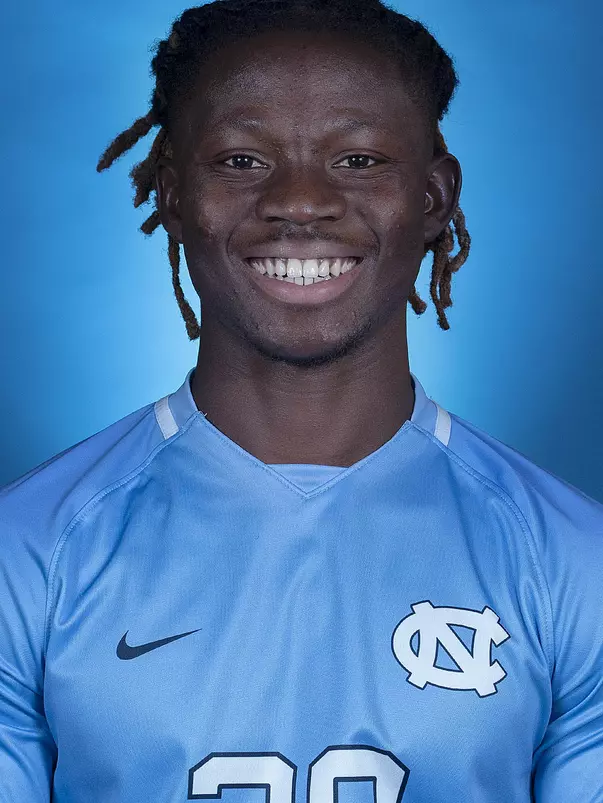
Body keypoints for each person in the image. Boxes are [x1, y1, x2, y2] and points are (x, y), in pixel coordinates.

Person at [0, 0, 601, 799]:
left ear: (432, 199)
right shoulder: (28, 553)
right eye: (241, 160)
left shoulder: (572, 565)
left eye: (357, 160)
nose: (300, 201)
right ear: (174, 195)